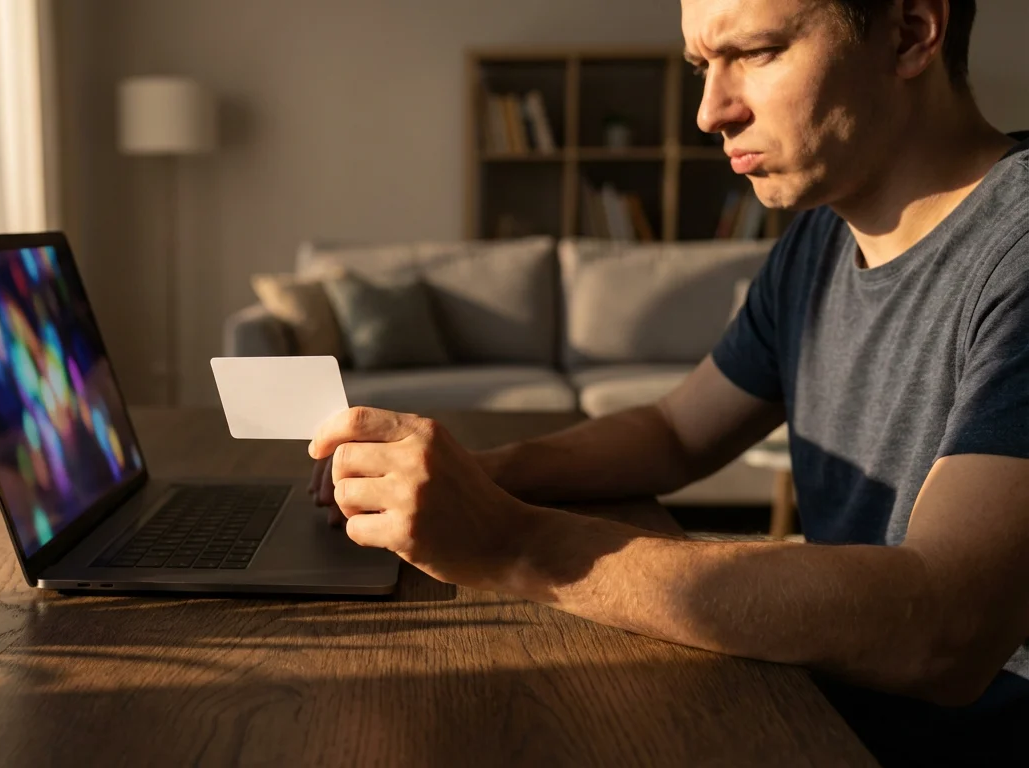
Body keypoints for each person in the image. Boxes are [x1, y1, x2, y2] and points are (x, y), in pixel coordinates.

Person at [307, 0, 1028, 763]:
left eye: (755, 51)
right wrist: (482, 477)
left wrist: (510, 541)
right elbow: (676, 432)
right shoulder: (816, 242)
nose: (710, 112)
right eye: (699, 67)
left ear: (912, 32)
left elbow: (947, 629)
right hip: (824, 703)